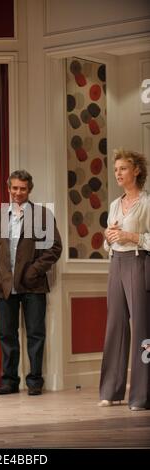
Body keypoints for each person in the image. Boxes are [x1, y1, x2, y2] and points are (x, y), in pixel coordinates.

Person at [0, 170, 62, 395]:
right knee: (7, 335)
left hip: (34, 285)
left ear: (29, 190)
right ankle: (9, 381)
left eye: (23, 189)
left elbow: (54, 247)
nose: (18, 192)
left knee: (36, 334)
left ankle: (35, 381)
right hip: (5, 286)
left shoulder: (43, 215)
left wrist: (34, 271)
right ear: (9, 188)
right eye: (14, 188)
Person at [99, 149, 150, 411]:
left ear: (136, 171)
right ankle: (111, 390)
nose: (118, 173)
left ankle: (142, 395)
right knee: (115, 326)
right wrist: (109, 236)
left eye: (123, 168)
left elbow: (144, 237)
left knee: (142, 329)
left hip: (139, 262)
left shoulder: (148, 203)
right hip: (116, 263)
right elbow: (112, 238)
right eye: (116, 169)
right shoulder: (114, 204)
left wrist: (132, 237)